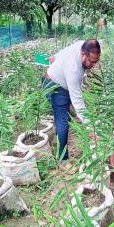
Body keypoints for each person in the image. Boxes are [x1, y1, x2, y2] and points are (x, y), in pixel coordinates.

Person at [43, 40, 101, 170]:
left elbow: (66, 49)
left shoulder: (82, 44)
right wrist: (89, 127)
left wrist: (56, 57)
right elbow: (78, 101)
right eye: (91, 61)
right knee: (63, 121)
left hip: (60, 82)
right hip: (55, 87)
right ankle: (62, 160)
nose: (92, 65)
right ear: (82, 53)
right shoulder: (73, 69)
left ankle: (58, 140)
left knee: (65, 118)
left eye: (95, 61)